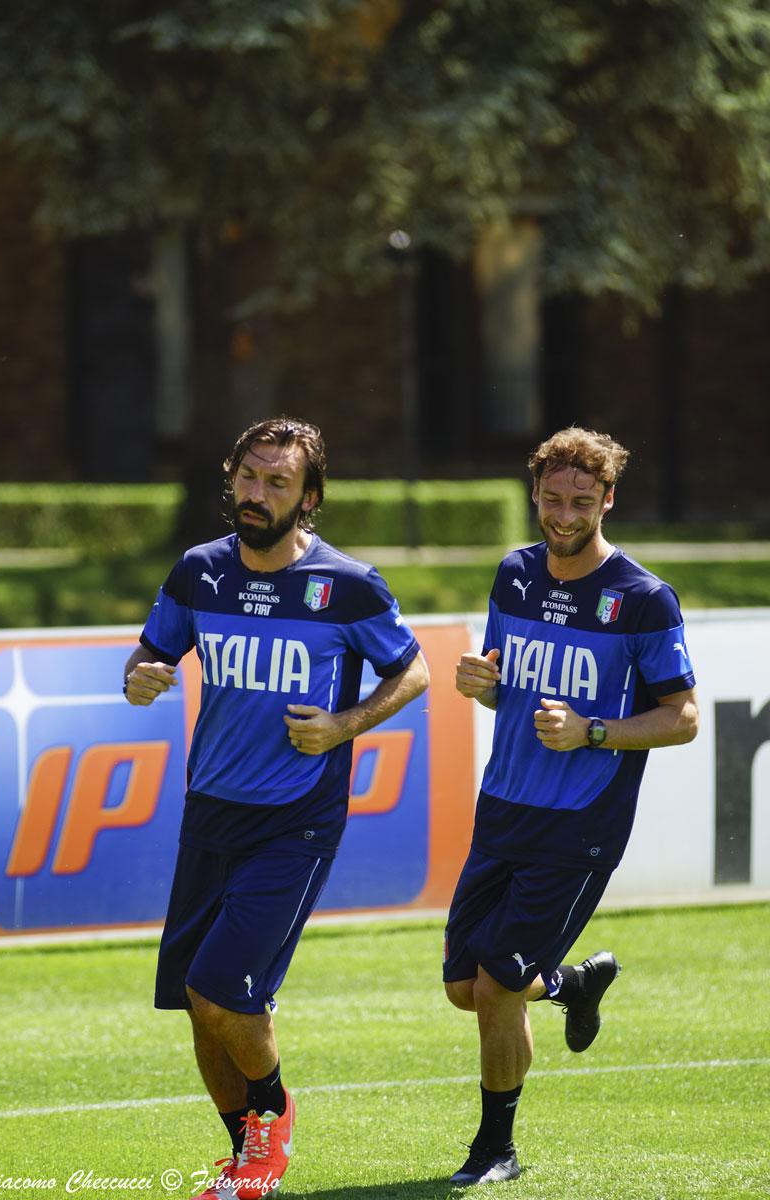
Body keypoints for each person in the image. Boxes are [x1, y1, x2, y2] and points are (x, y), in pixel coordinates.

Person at [123, 416, 429, 1200]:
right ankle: (246, 1161)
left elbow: (415, 671)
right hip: (209, 813)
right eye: (249, 478)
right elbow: (150, 653)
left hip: (296, 818)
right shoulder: (199, 571)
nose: (257, 495)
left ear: (310, 496)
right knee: (197, 1001)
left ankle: (273, 1118)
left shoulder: (348, 586)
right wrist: (142, 675)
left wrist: (344, 725)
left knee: (226, 987)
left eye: (278, 483)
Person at [444, 427, 698, 1185]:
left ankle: (496, 1152)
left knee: (494, 986)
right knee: (466, 988)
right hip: (503, 807)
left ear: (608, 500)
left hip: (580, 822)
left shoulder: (643, 599)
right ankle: (570, 985)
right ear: (535, 494)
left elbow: (682, 717)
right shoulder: (514, 574)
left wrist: (593, 732)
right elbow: (502, 683)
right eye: (552, 498)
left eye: (580, 501)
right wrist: (480, 685)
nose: (562, 514)